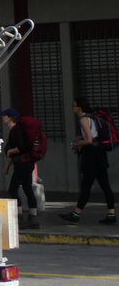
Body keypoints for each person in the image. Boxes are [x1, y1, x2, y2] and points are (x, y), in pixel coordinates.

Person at [60, 96, 116, 225]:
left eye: (74, 105)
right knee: (105, 185)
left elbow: (89, 140)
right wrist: (81, 138)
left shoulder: (84, 119)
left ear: (80, 107)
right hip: (100, 154)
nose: (73, 108)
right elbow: (93, 135)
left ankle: (76, 214)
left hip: (91, 155)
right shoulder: (92, 117)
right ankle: (111, 214)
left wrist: (77, 144)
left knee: (86, 185)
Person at [0, 108, 39, 228]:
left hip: (23, 164)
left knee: (12, 189)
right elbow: (12, 154)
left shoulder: (16, 130)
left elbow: (22, 147)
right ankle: (33, 218)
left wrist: (11, 150)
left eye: (5, 116)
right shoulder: (15, 130)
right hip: (25, 164)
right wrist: (7, 166)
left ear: (10, 118)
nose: (3, 118)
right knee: (27, 189)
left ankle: (20, 217)